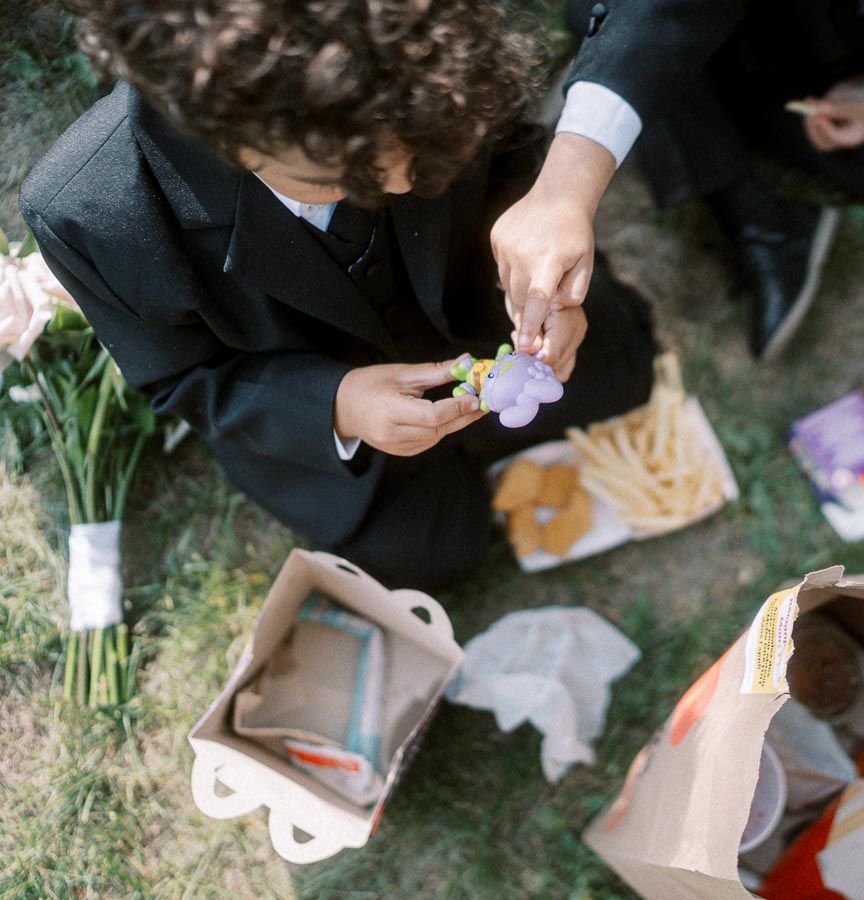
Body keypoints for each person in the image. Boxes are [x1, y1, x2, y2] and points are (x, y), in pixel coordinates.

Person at [21, 0, 656, 590]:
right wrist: (339, 406)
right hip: (324, 401)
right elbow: (182, 379)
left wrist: (530, 258)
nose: (408, 180)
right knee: (437, 554)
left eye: (424, 144)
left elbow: (512, 160)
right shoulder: (92, 215)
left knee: (625, 374)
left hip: (476, 309)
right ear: (231, 143)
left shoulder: (418, 46)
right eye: (350, 175)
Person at [493, 0, 864, 361]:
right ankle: (753, 210)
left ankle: (694, 113)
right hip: (729, 18)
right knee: (604, 20)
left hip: (840, 53)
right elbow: (660, 14)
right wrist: (561, 193)